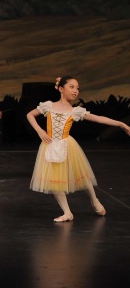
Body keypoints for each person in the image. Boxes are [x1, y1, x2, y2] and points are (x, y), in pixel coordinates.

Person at [27, 76, 130, 222]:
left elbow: (99, 118)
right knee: (55, 180)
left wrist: (121, 124)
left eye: (77, 88)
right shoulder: (48, 106)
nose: (75, 91)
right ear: (61, 89)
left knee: (82, 175)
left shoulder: (75, 111)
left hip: (67, 146)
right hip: (50, 146)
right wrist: (39, 130)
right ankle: (67, 212)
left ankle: (94, 200)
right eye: (72, 87)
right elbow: (30, 115)